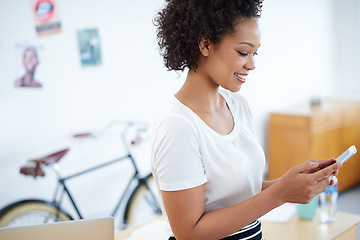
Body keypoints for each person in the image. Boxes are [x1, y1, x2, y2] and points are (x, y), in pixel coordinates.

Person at [151, 1, 342, 239]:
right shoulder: (178, 126)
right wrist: (279, 194)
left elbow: (237, 191)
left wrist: (292, 184)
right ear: (205, 44)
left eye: (255, 53)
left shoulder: (237, 106)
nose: (251, 65)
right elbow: (189, 233)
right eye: (243, 52)